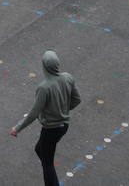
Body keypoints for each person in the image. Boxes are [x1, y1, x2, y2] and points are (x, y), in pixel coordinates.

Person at [10, 50, 82, 186]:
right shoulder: (67, 77)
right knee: (40, 150)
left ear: (44, 66)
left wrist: (17, 128)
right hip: (64, 126)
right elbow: (77, 99)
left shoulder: (44, 88)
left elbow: (33, 113)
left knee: (47, 164)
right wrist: (63, 111)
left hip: (51, 130)